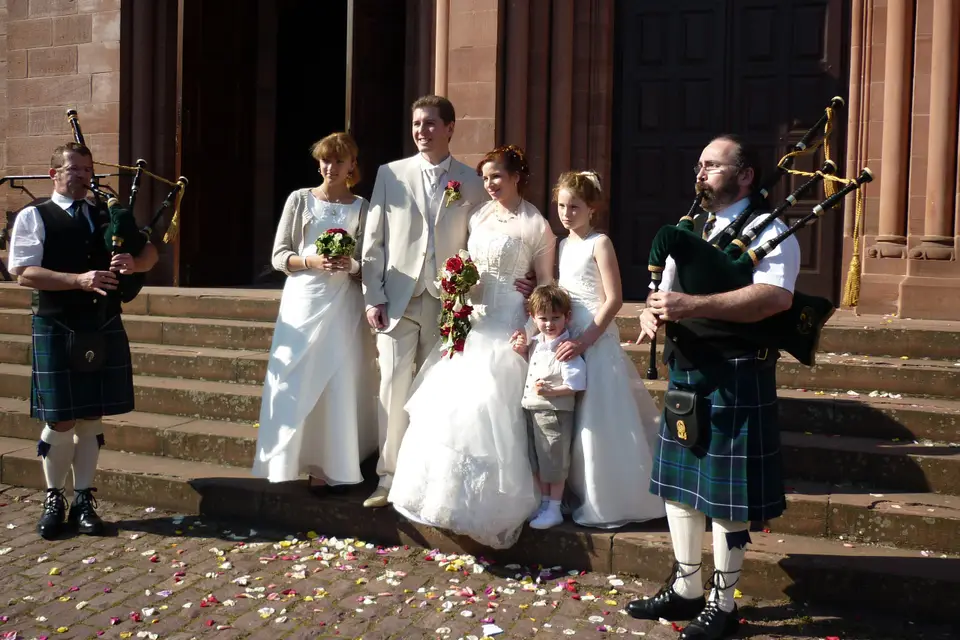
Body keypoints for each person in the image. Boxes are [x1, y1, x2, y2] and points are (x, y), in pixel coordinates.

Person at [629, 135, 800, 640]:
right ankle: (686, 588)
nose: (700, 173)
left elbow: (773, 298)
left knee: (728, 499)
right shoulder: (694, 225)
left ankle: (723, 605)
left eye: (712, 166)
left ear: (745, 175)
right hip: (688, 369)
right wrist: (652, 308)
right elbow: (666, 287)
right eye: (698, 165)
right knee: (681, 490)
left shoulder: (771, 230)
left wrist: (692, 306)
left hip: (736, 373)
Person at [360, 95, 533, 508]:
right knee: (392, 388)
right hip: (398, 299)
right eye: (417, 124)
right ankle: (387, 478)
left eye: (431, 124)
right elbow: (374, 241)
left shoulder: (472, 182)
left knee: (436, 395)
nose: (422, 131)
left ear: (450, 128)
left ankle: (424, 480)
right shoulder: (390, 174)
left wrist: (523, 274)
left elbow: (499, 231)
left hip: (452, 304)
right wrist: (373, 295)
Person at [386, 144, 556, 549]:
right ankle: (449, 499)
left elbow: (548, 284)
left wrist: (531, 330)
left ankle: (493, 504)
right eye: (485, 177)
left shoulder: (536, 225)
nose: (490, 184)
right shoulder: (479, 215)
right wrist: (458, 289)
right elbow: (468, 266)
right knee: (451, 409)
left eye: (497, 176)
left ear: (517, 176)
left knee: (490, 409)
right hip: (473, 323)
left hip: (510, 324)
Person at [7, 142, 159, 540]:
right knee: (59, 421)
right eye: (73, 169)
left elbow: (151, 253)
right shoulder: (34, 216)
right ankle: (53, 497)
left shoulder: (107, 214)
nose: (82, 176)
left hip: (102, 322)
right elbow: (22, 272)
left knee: (91, 418)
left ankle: (84, 499)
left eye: (88, 170)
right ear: (53, 172)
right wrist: (78, 280)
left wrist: (135, 263)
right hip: (56, 324)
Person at [252, 132, 378, 492]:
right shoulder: (300, 200)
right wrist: (312, 260)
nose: (330, 167)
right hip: (303, 300)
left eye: (338, 161)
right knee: (297, 380)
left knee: (338, 380)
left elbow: (369, 262)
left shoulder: (362, 207)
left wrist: (349, 264)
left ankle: (332, 464)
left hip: (343, 303)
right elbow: (279, 255)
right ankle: (293, 459)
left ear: (352, 164)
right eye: (325, 160)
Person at [551, 171, 667, 529]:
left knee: (598, 417)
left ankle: (607, 497)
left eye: (575, 207)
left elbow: (614, 298)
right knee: (570, 416)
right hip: (567, 333)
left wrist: (585, 339)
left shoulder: (599, 243)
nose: (567, 213)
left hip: (594, 336)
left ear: (591, 208)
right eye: (561, 206)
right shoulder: (562, 244)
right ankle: (570, 491)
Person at [511, 284, 585, 530]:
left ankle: (554, 507)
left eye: (556, 318)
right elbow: (531, 366)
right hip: (533, 408)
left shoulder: (566, 349)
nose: (549, 324)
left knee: (554, 459)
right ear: (533, 318)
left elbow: (576, 383)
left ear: (567, 317)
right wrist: (522, 350)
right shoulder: (537, 343)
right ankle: (544, 503)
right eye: (543, 319)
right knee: (537, 459)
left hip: (555, 412)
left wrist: (553, 391)